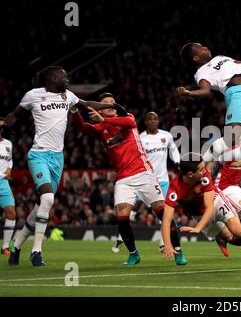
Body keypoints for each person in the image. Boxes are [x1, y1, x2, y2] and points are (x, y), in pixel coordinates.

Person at [6, 66, 113, 266]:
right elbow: (15, 114)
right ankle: (36, 251)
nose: (67, 79)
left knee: (41, 205)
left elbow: (86, 104)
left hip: (57, 158)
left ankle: (17, 244)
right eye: (64, 76)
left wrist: (114, 107)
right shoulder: (34, 95)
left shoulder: (68, 96)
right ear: (53, 78)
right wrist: (5, 126)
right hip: (39, 155)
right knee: (47, 199)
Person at [74, 93, 187, 266]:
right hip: (123, 179)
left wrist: (102, 120)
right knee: (121, 216)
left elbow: (129, 123)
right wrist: (74, 109)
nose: (110, 106)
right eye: (104, 104)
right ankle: (134, 254)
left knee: (163, 214)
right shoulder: (101, 130)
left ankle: (178, 251)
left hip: (144, 174)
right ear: (98, 109)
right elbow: (82, 128)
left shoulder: (128, 119)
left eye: (112, 103)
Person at [161, 152, 241, 269]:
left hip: (216, 202)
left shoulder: (204, 177)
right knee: (230, 238)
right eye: (201, 169)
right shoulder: (174, 189)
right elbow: (166, 220)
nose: (205, 171)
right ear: (191, 174)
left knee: (238, 232)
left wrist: (198, 228)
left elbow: (210, 207)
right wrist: (167, 245)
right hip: (198, 215)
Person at [0, 117, 16, 254]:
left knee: (11, 213)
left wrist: (10, 168)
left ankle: (5, 247)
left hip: (3, 182)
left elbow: (9, 160)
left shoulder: (8, 144)